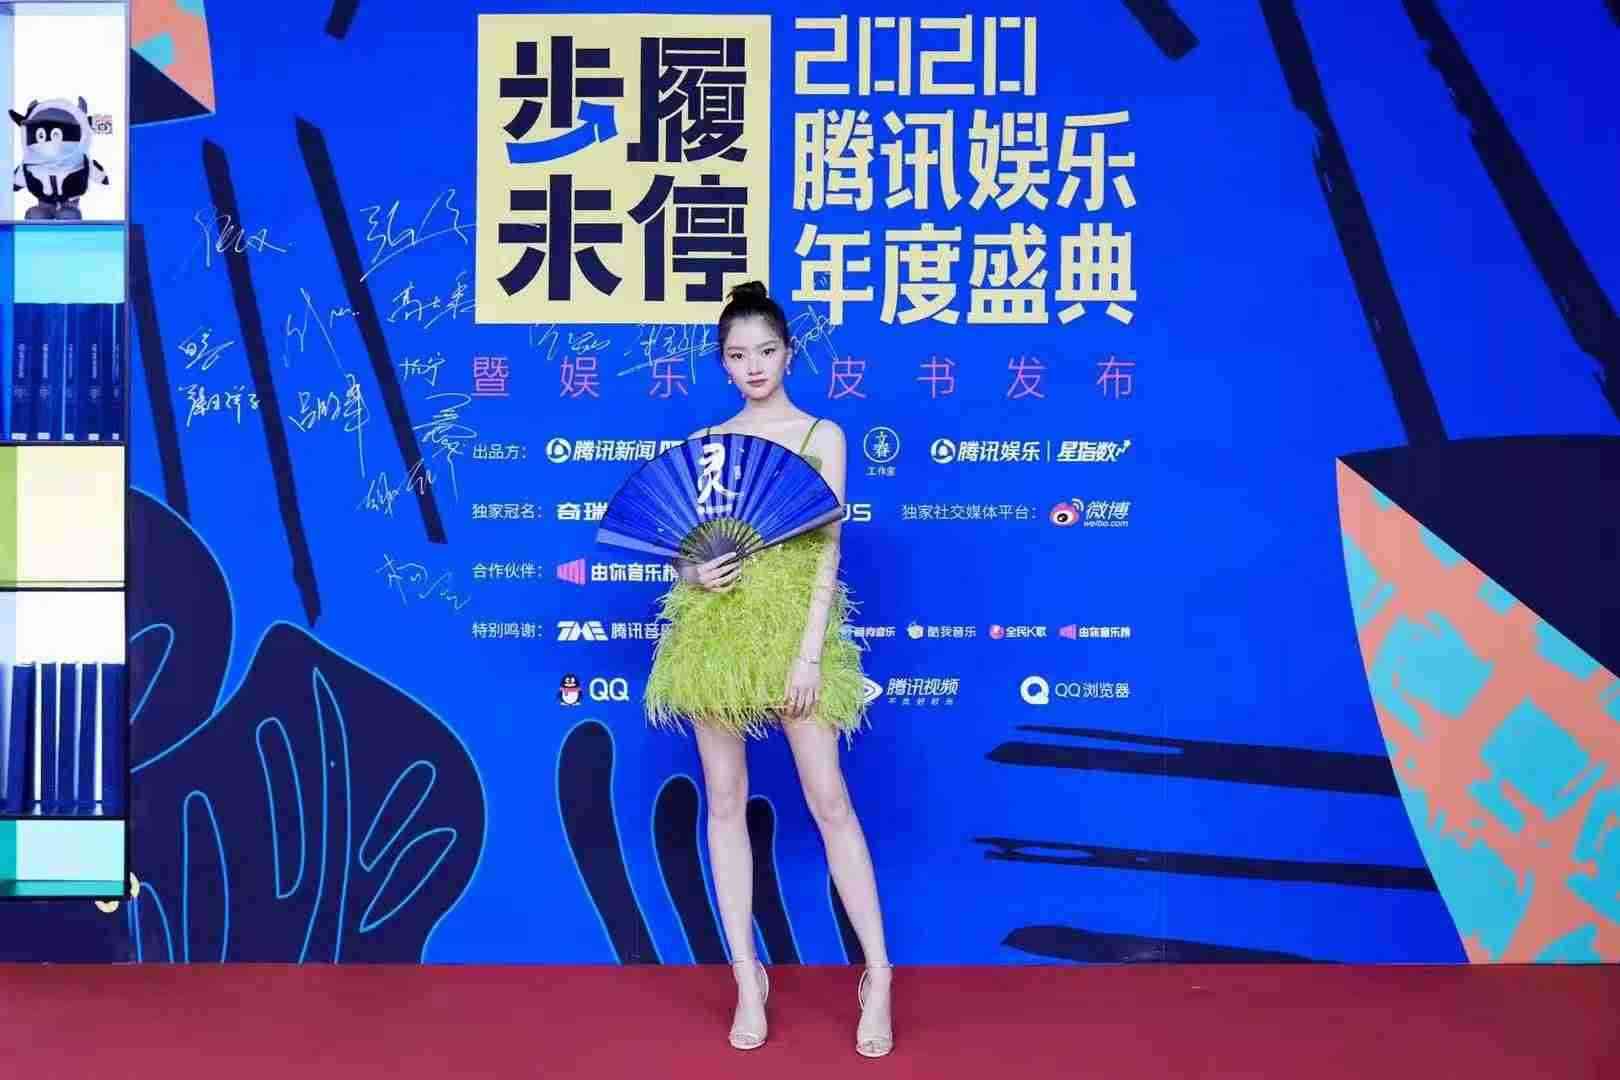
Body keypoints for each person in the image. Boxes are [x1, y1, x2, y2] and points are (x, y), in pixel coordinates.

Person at [643, 281, 894, 1058]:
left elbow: (827, 549)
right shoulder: (708, 442)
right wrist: (692, 574)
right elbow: (686, 548)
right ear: (722, 363)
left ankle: (879, 976)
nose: (753, 366)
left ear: (790, 353)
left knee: (830, 802)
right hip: (715, 631)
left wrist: (809, 654)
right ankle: (747, 979)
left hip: (795, 633)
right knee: (724, 802)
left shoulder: (822, 434)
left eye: (765, 350)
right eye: (737, 354)